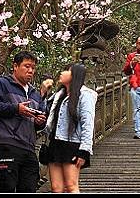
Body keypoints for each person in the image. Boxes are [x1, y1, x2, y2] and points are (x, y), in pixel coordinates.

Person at [0, 51, 46, 192]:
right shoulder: (3, 84)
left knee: (29, 188)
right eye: (27, 66)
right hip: (8, 145)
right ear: (15, 66)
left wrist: (40, 121)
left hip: (29, 148)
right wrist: (16, 108)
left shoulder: (35, 93)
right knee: (6, 188)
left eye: (33, 67)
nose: (31, 70)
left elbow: (41, 121)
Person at [43, 63, 97, 192]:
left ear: (75, 75)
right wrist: (44, 92)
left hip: (72, 144)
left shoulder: (85, 95)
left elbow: (87, 123)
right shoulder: (59, 95)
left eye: (66, 70)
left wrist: (84, 150)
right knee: (56, 188)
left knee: (71, 186)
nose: (61, 73)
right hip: (55, 143)